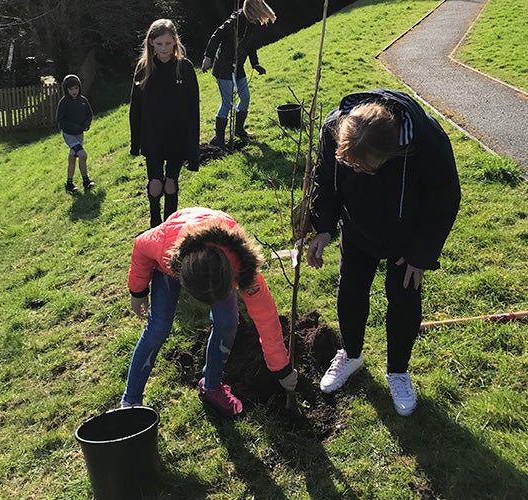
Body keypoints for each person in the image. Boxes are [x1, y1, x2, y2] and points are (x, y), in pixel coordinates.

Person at [307, 89, 461, 416]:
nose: (357, 171)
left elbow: (444, 199)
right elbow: (326, 180)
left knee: (403, 297)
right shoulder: (335, 129)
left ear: (391, 152)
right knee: (350, 290)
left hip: (407, 235)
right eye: (352, 165)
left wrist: (421, 253)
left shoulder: (427, 140)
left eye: (365, 166)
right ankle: (351, 354)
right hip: (357, 226)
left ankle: (398, 371)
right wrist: (322, 227)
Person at [122, 207, 298, 417]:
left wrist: (281, 369)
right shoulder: (162, 245)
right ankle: (131, 400)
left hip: (216, 260)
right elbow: (140, 246)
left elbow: (266, 319)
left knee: (228, 321)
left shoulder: (243, 270)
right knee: (158, 326)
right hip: (172, 254)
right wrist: (138, 290)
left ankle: (211, 385)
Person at [130, 19, 200, 228]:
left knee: (170, 183)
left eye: (168, 44)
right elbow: (136, 108)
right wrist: (136, 143)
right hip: (152, 138)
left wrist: (192, 149)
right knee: (155, 183)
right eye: (159, 44)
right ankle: (154, 221)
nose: (164, 49)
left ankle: (170, 224)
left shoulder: (184, 68)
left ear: (175, 42)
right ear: (151, 42)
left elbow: (192, 109)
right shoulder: (144, 69)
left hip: (177, 137)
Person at [201, 0, 276, 148]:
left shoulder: (252, 23)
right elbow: (216, 36)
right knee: (227, 103)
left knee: (245, 98)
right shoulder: (234, 22)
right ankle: (219, 139)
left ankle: (239, 130)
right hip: (223, 68)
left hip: (238, 68)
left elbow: (251, 45)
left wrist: (255, 64)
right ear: (252, 10)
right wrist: (208, 58)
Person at [56, 74, 94, 193]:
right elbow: (60, 120)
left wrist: (86, 124)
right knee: (83, 155)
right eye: (71, 89)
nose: (74, 91)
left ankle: (69, 184)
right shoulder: (64, 102)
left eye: (76, 88)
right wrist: (72, 127)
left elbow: (89, 114)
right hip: (69, 135)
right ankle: (86, 181)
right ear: (66, 90)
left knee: (72, 159)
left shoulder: (83, 100)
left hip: (79, 134)